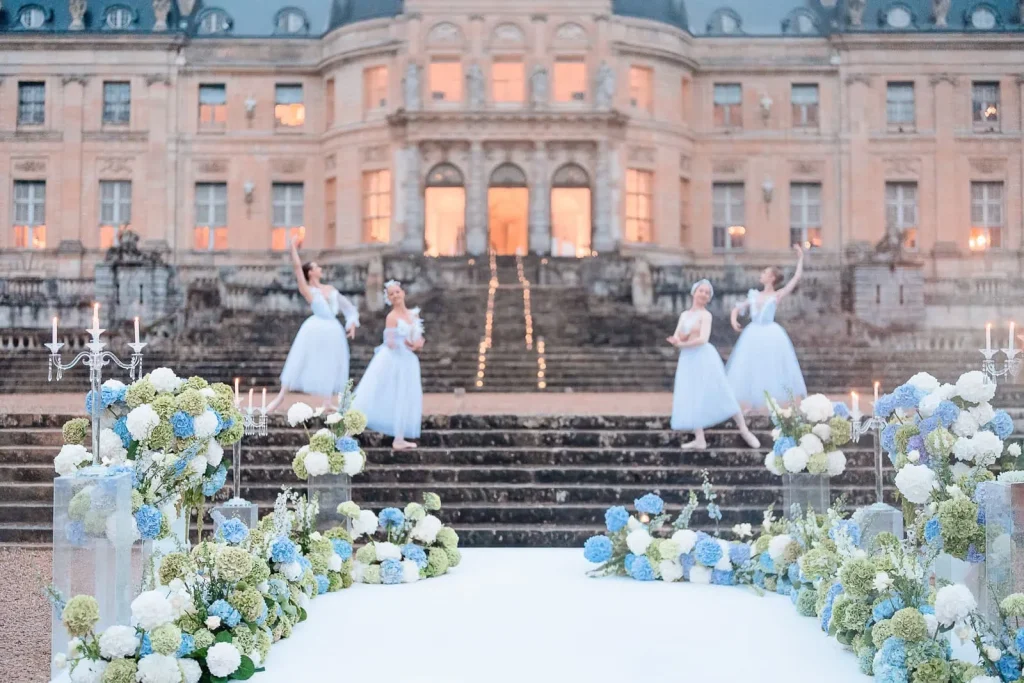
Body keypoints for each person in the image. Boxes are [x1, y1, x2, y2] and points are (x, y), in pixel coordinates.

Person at [266, 238, 359, 412]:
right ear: (310, 272)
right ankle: (281, 396)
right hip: (315, 328)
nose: (320, 269)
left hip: (333, 329)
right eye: (317, 267)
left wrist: (351, 323)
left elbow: (349, 308)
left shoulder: (330, 289)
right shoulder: (308, 290)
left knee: (332, 362)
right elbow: (297, 268)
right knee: (299, 359)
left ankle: (327, 400)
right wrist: (293, 249)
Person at [669, 279, 761, 451]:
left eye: (707, 292)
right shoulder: (684, 315)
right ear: (694, 293)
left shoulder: (706, 315)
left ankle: (744, 430)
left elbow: (703, 339)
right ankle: (699, 438)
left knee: (722, 391)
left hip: (703, 357)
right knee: (693, 396)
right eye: (701, 291)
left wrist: (682, 344)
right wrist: (677, 341)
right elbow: (677, 336)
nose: (703, 294)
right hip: (688, 359)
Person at [726, 245, 807, 411]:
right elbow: (737, 307)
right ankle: (752, 403)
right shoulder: (754, 295)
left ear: (771, 278)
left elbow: (796, 279)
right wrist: (734, 320)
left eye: (764, 273)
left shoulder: (776, 295)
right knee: (751, 366)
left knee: (770, 367)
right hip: (753, 333)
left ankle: (769, 403)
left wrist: (800, 259)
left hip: (771, 334)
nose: (761, 275)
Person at [352, 280, 424, 450]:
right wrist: (404, 342)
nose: (395, 296)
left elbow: (419, 337)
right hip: (392, 359)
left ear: (403, 293)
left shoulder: (414, 315)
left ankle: (399, 438)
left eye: (397, 292)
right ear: (389, 299)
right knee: (375, 392)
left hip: (408, 360)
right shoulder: (391, 317)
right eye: (391, 294)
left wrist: (417, 344)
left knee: (404, 396)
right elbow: (389, 341)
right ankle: (349, 429)